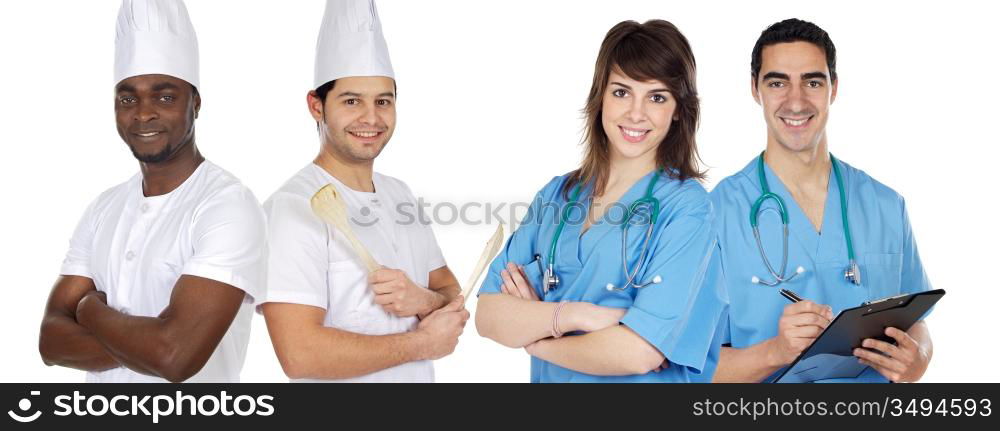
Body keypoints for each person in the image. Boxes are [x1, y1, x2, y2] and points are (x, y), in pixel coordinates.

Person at [475, 20, 727, 382]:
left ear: (678, 110)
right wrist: (575, 315)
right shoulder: (556, 197)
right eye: (622, 92)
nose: (636, 113)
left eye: (657, 97)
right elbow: (488, 315)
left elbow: (639, 352)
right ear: (600, 97)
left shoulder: (688, 209)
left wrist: (537, 338)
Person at [38, 0, 266, 382]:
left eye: (164, 96)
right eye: (128, 98)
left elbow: (173, 356)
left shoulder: (228, 206)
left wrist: (90, 310)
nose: (143, 113)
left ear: (195, 103)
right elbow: (50, 343)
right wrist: (145, 341)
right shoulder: (103, 208)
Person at [710, 18, 934, 383]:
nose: (796, 101)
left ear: (833, 88)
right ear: (755, 90)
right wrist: (774, 352)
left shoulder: (886, 205)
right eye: (778, 82)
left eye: (812, 82)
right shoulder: (716, 213)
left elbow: (916, 321)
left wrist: (919, 358)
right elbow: (689, 369)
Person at [259, 0, 469, 383]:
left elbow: (449, 290)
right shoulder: (290, 209)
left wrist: (423, 300)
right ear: (316, 106)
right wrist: (422, 343)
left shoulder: (399, 194)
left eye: (383, 101)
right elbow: (300, 355)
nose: (371, 118)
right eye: (352, 101)